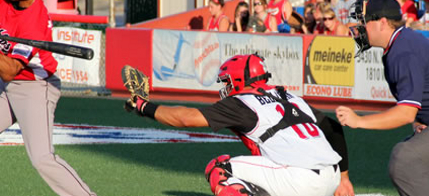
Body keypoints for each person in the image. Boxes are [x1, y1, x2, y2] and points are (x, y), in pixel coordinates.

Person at [125, 54, 355, 196]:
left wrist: (144, 107)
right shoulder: (291, 96)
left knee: (220, 168)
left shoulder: (242, 102)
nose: (224, 87)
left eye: (226, 81)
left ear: (237, 80)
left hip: (299, 181)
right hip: (331, 178)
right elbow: (334, 128)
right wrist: (343, 179)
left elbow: (184, 118)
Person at [0, 0, 97, 196]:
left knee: (42, 158)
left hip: (36, 88)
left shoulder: (34, 21)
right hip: (7, 88)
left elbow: (9, 71)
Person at [339, 0, 429, 195]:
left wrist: (359, 121)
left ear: (382, 22)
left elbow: (405, 113)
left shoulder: (404, 50)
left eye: (365, 21)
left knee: (405, 158)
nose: (359, 28)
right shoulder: (403, 42)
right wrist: (420, 120)